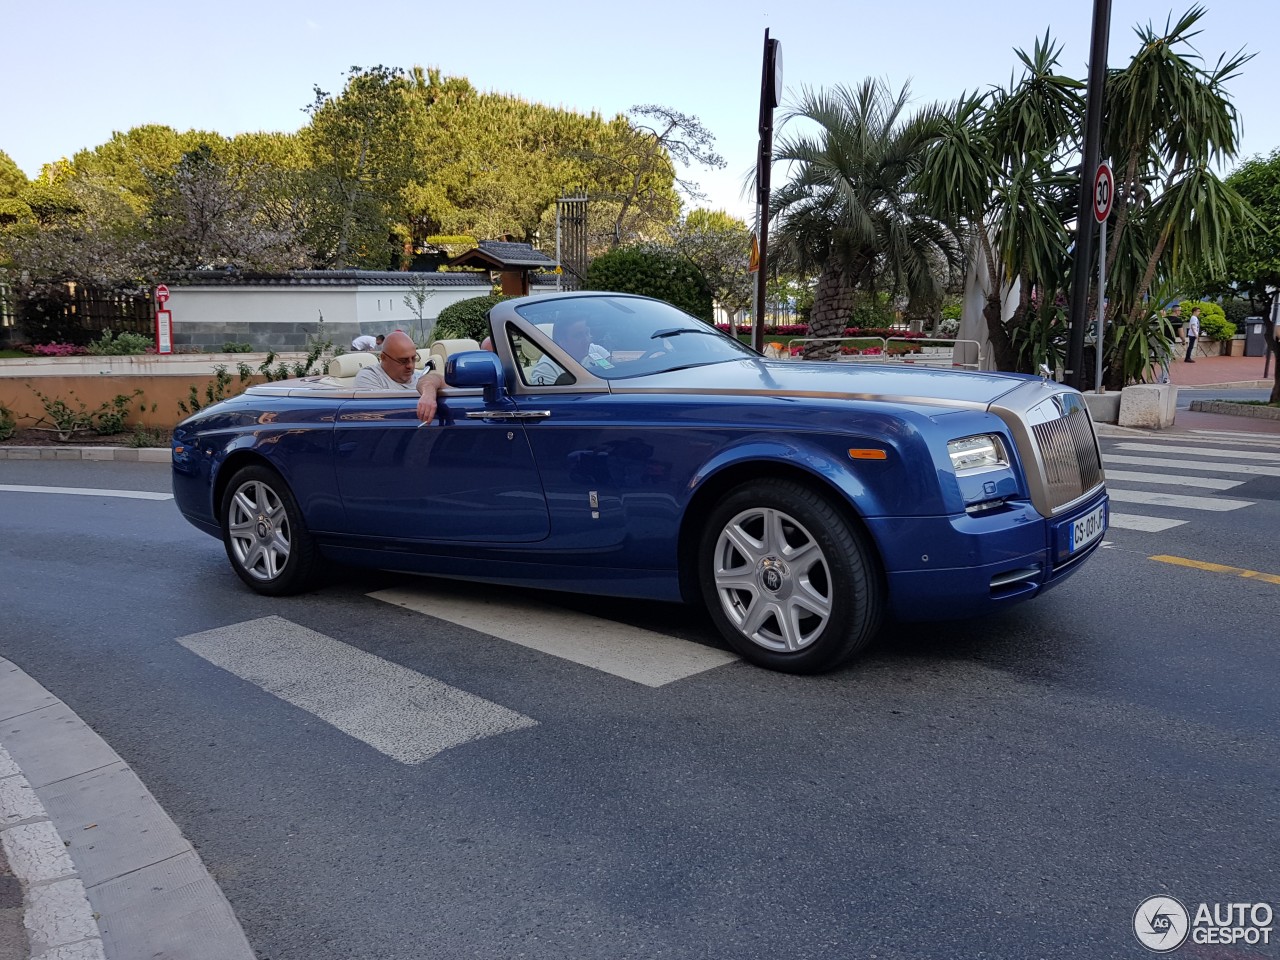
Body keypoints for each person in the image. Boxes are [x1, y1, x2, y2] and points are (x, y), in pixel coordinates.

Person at [353, 330, 442, 422]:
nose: (410, 366)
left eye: (413, 359)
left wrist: (428, 392)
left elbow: (438, 379)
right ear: (383, 358)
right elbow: (380, 414)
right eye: (403, 361)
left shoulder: (418, 375)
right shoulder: (369, 377)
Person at [527, 317, 611, 385]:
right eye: (578, 336)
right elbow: (546, 402)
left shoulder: (595, 351)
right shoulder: (547, 368)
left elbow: (611, 371)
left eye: (587, 333)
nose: (587, 340)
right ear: (561, 341)